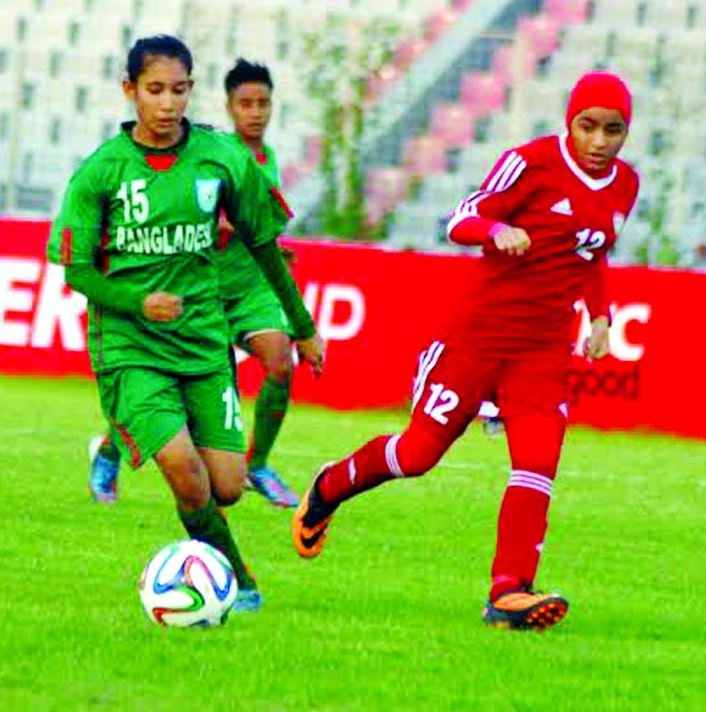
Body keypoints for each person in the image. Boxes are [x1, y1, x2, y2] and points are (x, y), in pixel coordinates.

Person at [291, 72, 639, 631]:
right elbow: (461, 219)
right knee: (418, 455)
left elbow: (592, 251)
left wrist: (600, 317)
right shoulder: (530, 163)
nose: (599, 141)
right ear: (569, 122)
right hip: (476, 336)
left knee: (537, 465)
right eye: (587, 126)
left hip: (542, 350)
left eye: (613, 130)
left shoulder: (625, 184)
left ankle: (509, 592)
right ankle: (329, 485)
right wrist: (494, 230)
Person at [49, 35, 325, 612]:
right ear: (130, 91)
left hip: (202, 342)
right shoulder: (102, 171)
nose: (167, 103)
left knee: (227, 486)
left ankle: (209, 552)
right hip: (130, 346)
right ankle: (238, 583)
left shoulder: (222, 158)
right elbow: (77, 270)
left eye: (178, 90)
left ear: (191, 90)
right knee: (186, 473)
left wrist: (301, 325)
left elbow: (265, 244)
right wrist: (136, 301)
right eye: (154, 90)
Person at [86, 59, 302, 508]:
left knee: (281, 362)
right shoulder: (211, 153)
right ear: (228, 107)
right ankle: (108, 451)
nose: (255, 113)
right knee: (172, 392)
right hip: (203, 292)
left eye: (263, 104)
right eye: (246, 104)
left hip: (249, 289)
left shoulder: (267, 159)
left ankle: (258, 463)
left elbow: (260, 225)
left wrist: (273, 249)